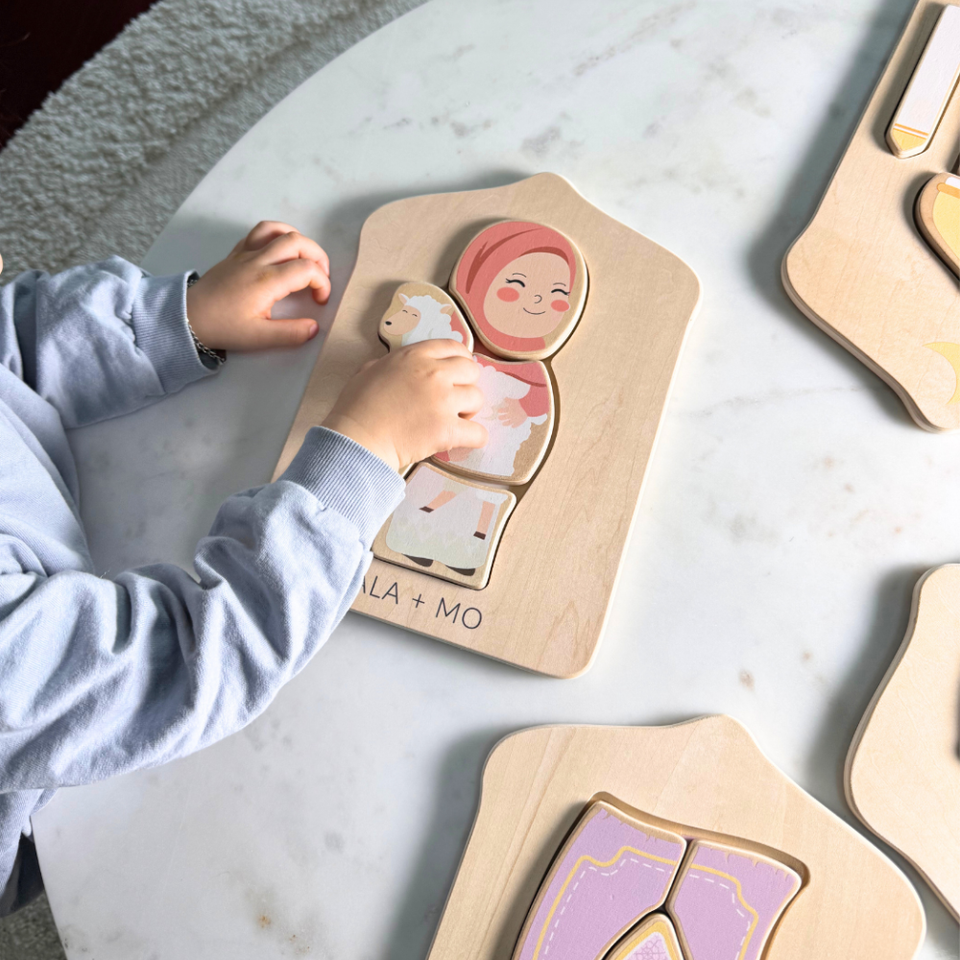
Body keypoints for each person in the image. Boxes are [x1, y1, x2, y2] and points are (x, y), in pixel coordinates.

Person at [0, 221, 487, 914]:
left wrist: (169, 321)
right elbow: (185, 662)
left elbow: (12, 339)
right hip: (51, 804)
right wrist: (363, 452)